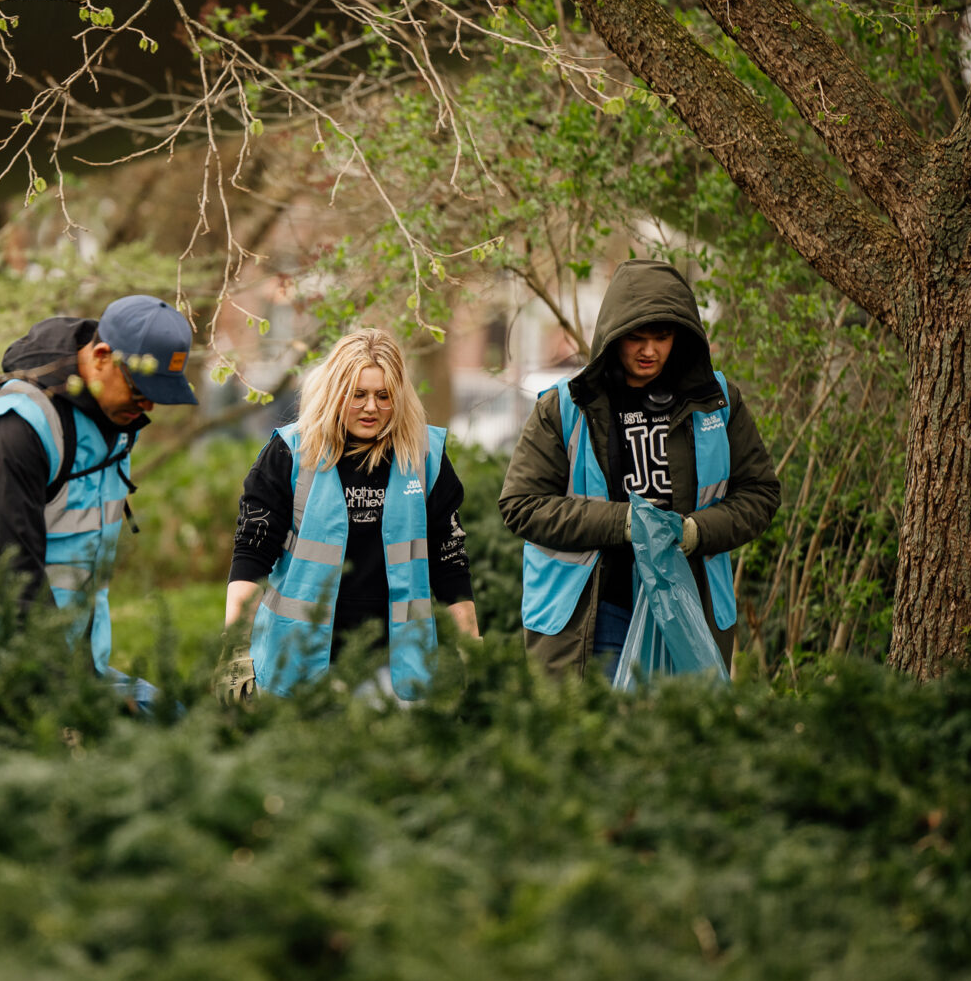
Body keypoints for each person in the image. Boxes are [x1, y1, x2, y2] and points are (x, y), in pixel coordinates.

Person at [499, 258, 780, 677]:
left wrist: (696, 531)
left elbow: (760, 493)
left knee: (678, 722)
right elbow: (521, 504)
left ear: (680, 336)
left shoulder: (717, 401)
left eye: (662, 337)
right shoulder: (566, 405)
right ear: (613, 333)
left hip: (689, 605)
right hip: (595, 614)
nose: (649, 351)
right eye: (636, 338)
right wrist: (625, 523)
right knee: (605, 723)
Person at [0, 295, 195, 687]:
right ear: (101, 356)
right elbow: (12, 570)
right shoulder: (17, 423)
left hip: (59, 650)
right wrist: (64, 681)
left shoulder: (118, 423)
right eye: (140, 390)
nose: (148, 406)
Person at [221, 329, 478, 702]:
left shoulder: (425, 458)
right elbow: (251, 554)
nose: (371, 407)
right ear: (336, 392)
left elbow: (450, 564)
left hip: (397, 669)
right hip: (298, 663)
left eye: (383, 396)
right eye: (358, 394)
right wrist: (235, 648)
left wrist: (471, 651)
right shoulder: (290, 453)